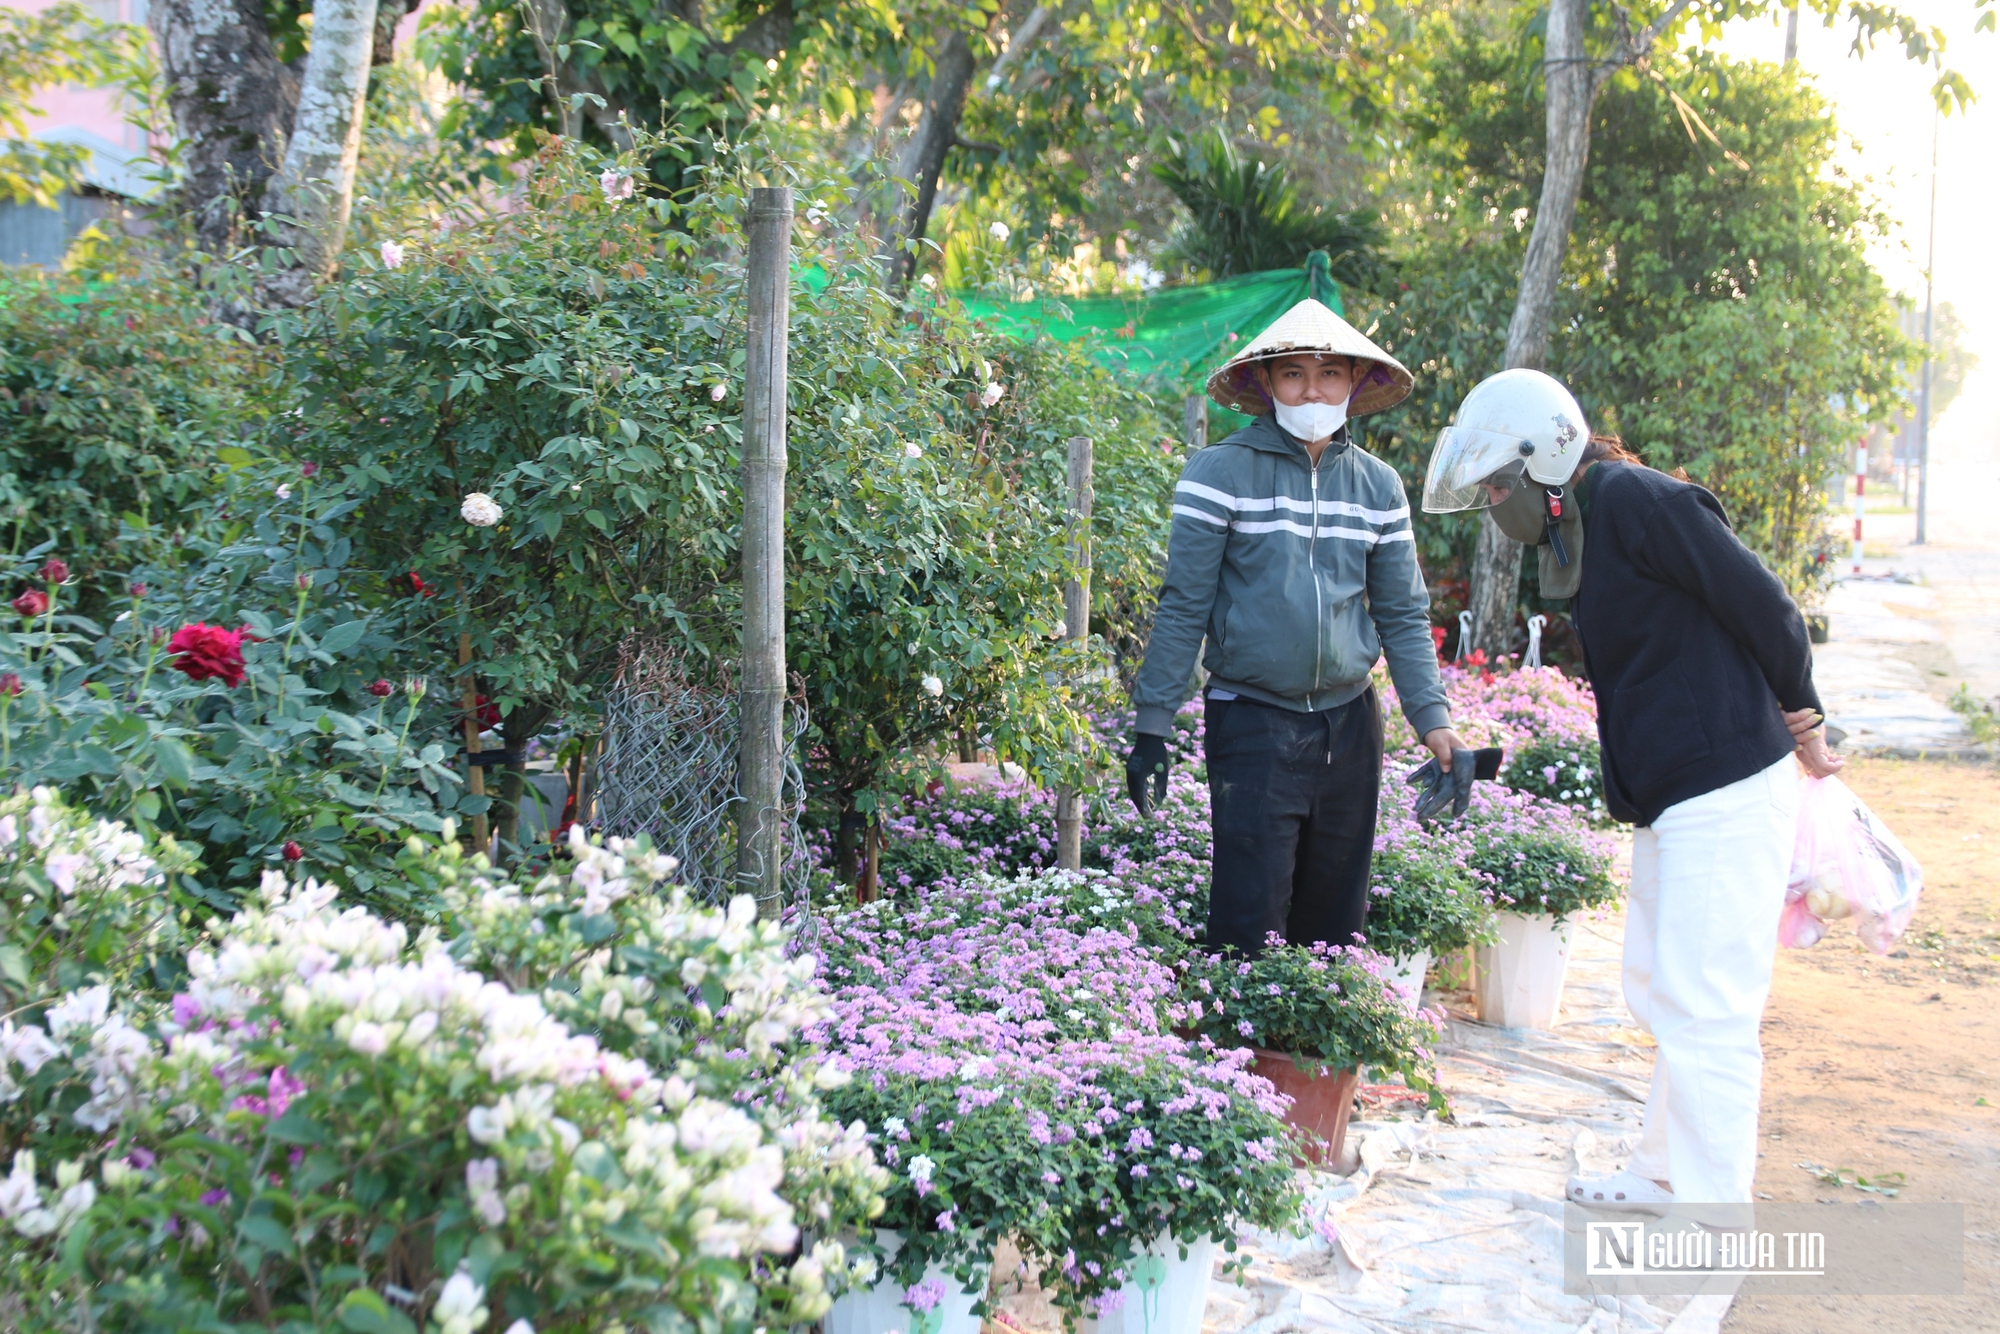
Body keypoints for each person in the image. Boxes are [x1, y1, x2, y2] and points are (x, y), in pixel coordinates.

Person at [1421, 367, 1842, 1218]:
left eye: (1501, 480)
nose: (1497, 500)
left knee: (1707, 1006)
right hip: (1674, 797)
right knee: (1658, 985)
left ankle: (1716, 1210)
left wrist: (1804, 712)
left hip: (1724, 782)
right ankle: (1661, 1172)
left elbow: (1768, 607)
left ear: (1548, 455)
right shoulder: (1585, 529)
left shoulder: (1642, 502)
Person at [1124, 297, 1468, 957]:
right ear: (1265, 384)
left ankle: (1310, 1060)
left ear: (1355, 383)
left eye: (1330, 373)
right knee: (1248, 923)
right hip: (1252, 718)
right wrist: (1152, 726)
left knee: (1335, 923)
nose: (1312, 389)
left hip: (1349, 725)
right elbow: (1184, 603)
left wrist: (1435, 724)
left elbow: (1401, 613)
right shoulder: (1219, 474)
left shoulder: (1379, 487)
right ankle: (1240, 1056)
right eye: (1293, 375)